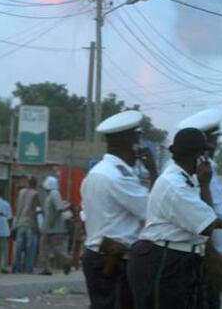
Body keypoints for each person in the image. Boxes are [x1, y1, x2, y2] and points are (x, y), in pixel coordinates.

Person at [128, 128, 222, 309]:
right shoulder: (176, 185)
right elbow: (207, 225)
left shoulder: (183, 179)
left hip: (178, 257)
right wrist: (205, 184)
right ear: (198, 156)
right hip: (167, 259)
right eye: (204, 154)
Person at [81, 110, 157, 309]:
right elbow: (154, 212)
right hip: (116, 259)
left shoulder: (95, 173)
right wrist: (154, 172)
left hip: (97, 255)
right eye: (137, 140)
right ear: (130, 142)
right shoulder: (119, 176)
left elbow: (84, 216)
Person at [176, 109, 222, 308]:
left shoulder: (208, 168)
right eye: (214, 140)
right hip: (203, 255)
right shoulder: (190, 173)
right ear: (204, 142)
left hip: (214, 251)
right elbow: (201, 219)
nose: (216, 145)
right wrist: (214, 257)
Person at [38, 176, 72, 275]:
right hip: (47, 228)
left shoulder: (54, 193)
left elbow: (59, 208)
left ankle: (67, 261)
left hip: (55, 228)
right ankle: (46, 268)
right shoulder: (49, 196)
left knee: (57, 249)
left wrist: (52, 221)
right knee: (44, 249)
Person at [12, 176, 40, 274]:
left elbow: (17, 207)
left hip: (19, 222)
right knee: (30, 248)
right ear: (35, 184)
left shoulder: (21, 192)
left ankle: (16, 268)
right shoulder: (35, 194)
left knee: (18, 248)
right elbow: (34, 210)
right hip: (30, 224)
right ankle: (28, 268)